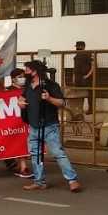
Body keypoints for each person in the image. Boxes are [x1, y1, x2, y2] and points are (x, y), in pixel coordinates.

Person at [19, 60, 82, 192]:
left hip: (49, 125)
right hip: (34, 126)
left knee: (58, 153)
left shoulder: (51, 85)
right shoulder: (28, 86)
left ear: (35, 71)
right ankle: (39, 181)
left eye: (27, 70)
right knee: (36, 155)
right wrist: (21, 102)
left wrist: (49, 98)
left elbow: (61, 103)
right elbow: (23, 99)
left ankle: (72, 180)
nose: (25, 72)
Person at [5, 68, 33, 178]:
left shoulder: (28, 90)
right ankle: (18, 165)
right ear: (13, 79)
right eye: (20, 77)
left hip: (24, 121)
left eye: (24, 76)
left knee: (24, 143)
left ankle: (23, 167)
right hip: (11, 124)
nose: (23, 79)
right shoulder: (7, 91)